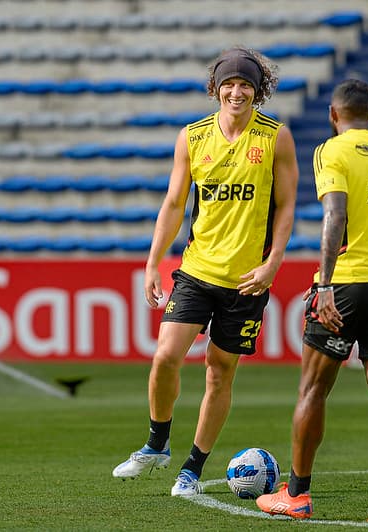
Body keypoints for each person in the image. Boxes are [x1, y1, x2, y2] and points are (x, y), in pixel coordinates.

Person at [111, 47, 298, 497]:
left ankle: (192, 470)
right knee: (164, 357)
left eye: (246, 85)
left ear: (258, 92)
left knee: (219, 373)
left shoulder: (276, 137)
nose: (237, 92)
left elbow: (288, 204)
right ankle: (157, 444)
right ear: (216, 89)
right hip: (196, 270)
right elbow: (175, 203)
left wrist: (273, 261)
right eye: (229, 84)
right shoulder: (192, 136)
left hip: (247, 279)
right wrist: (153, 262)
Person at [256, 79, 368, 523]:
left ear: (333, 114)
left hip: (346, 284)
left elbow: (336, 214)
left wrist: (324, 285)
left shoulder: (332, 151)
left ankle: (298, 494)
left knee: (313, 389)